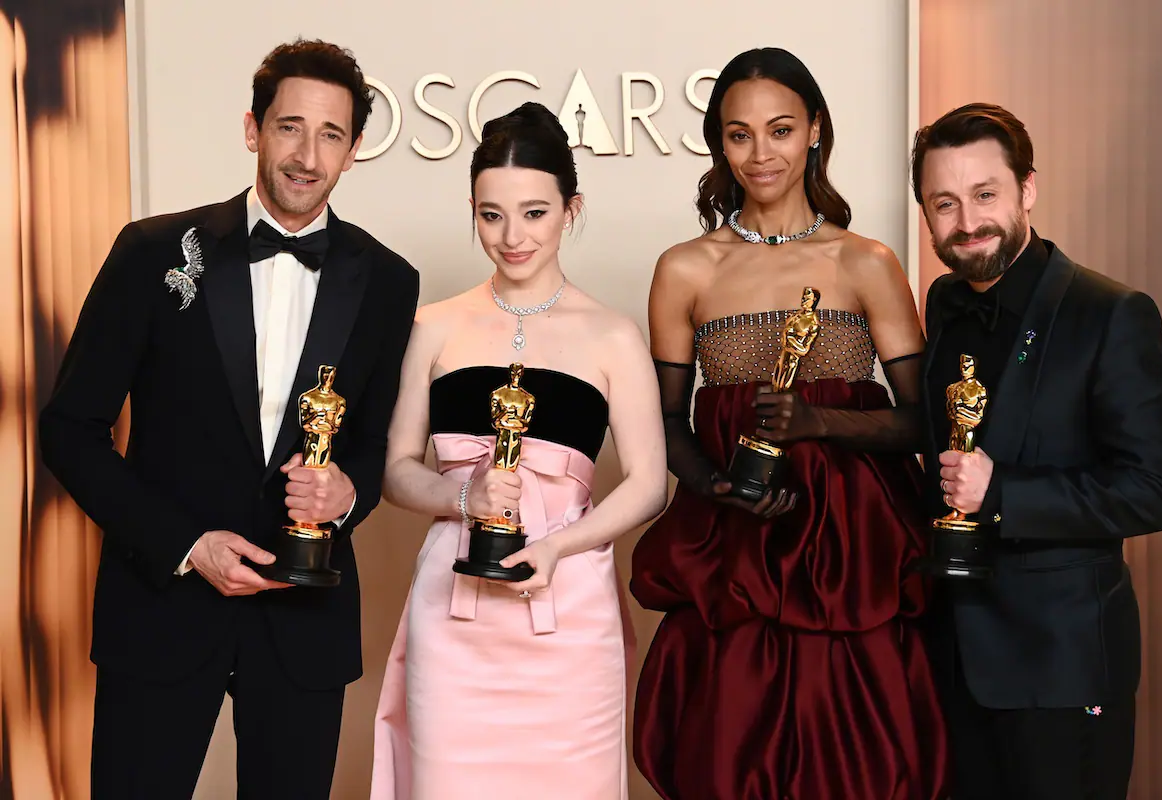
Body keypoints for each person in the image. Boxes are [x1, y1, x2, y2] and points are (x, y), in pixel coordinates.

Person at [38, 39, 420, 799]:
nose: (307, 156)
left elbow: (376, 445)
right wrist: (184, 546)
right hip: (160, 607)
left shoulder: (388, 280)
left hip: (303, 622)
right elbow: (69, 430)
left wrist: (347, 495)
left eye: (331, 135)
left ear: (353, 151)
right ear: (253, 129)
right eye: (289, 127)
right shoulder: (152, 251)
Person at [630, 46, 949, 800]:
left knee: (866, 763)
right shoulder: (685, 268)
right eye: (738, 134)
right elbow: (664, 420)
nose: (760, 154)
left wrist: (818, 421)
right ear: (719, 142)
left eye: (779, 130)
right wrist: (716, 486)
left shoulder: (867, 262)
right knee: (728, 753)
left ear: (814, 130)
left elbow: (925, 424)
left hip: (854, 547)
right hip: (736, 547)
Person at [369, 101, 666, 800]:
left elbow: (648, 483)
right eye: (491, 215)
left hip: (569, 608)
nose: (512, 237)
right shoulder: (434, 326)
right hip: (454, 612)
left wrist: (561, 546)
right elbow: (396, 471)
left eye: (534, 213)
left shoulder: (613, 334)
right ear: (472, 212)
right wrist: (463, 495)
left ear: (570, 209)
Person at [913, 102, 1162, 800]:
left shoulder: (1112, 313)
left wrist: (1002, 493)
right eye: (944, 203)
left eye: (985, 194)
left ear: (1027, 189)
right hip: (952, 666)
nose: (966, 221)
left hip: (1062, 670)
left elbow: (1160, 490)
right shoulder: (944, 302)